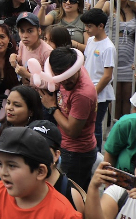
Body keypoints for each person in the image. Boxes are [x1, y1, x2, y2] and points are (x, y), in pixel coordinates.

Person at [0, 127, 79, 219]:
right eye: (1, 164)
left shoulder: (63, 214)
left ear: (40, 172)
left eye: (12, 165)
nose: (3, 173)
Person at [37, 46, 97, 189]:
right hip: (64, 146)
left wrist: (52, 107)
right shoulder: (67, 68)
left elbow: (72, 131)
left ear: (77, 68)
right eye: (60, 77)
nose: (64, 82)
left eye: (69, 77)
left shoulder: (83, 93)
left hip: (77, 154)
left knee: (72, 196)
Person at [81, 7, 116, 147]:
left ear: (101, 26)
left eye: (90, 26)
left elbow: (107, 76)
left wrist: (93, 93)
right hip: (88, 89)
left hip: (99, 93)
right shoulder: (90, 41)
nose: (87, 29)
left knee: (95, 128)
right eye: (86, 26)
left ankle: (96, 156)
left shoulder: (108, 47)